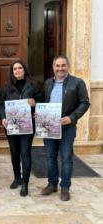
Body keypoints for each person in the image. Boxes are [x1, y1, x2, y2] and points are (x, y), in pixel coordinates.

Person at [40, 55, 90, 201]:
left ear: (68, 66)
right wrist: (40, 113)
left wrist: (71, 118)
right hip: (49, 126)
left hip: (67, 127)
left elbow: (85, 103)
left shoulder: (77, 82)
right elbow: (44, 102)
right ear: (53, 67)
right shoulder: (48, 83)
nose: (60, 68)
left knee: (66, 158)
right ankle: (52, 184)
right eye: (57, 66)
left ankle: (65, 187)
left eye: (63, 65)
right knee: (50, 157)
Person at [0, 60, 42, 197]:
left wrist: (35, 103)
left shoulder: (33, 85)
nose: (17, 70)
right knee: (14, 153)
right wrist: (3, 117)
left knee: (25, 153)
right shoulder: (6, 86)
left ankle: (25, 183)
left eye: (20, 68)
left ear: (24, 70)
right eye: (15, 69)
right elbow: (0, 103)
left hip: (27, 125)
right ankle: (17, 177)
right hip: (11, 125)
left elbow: (42, 100)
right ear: (12, 71)